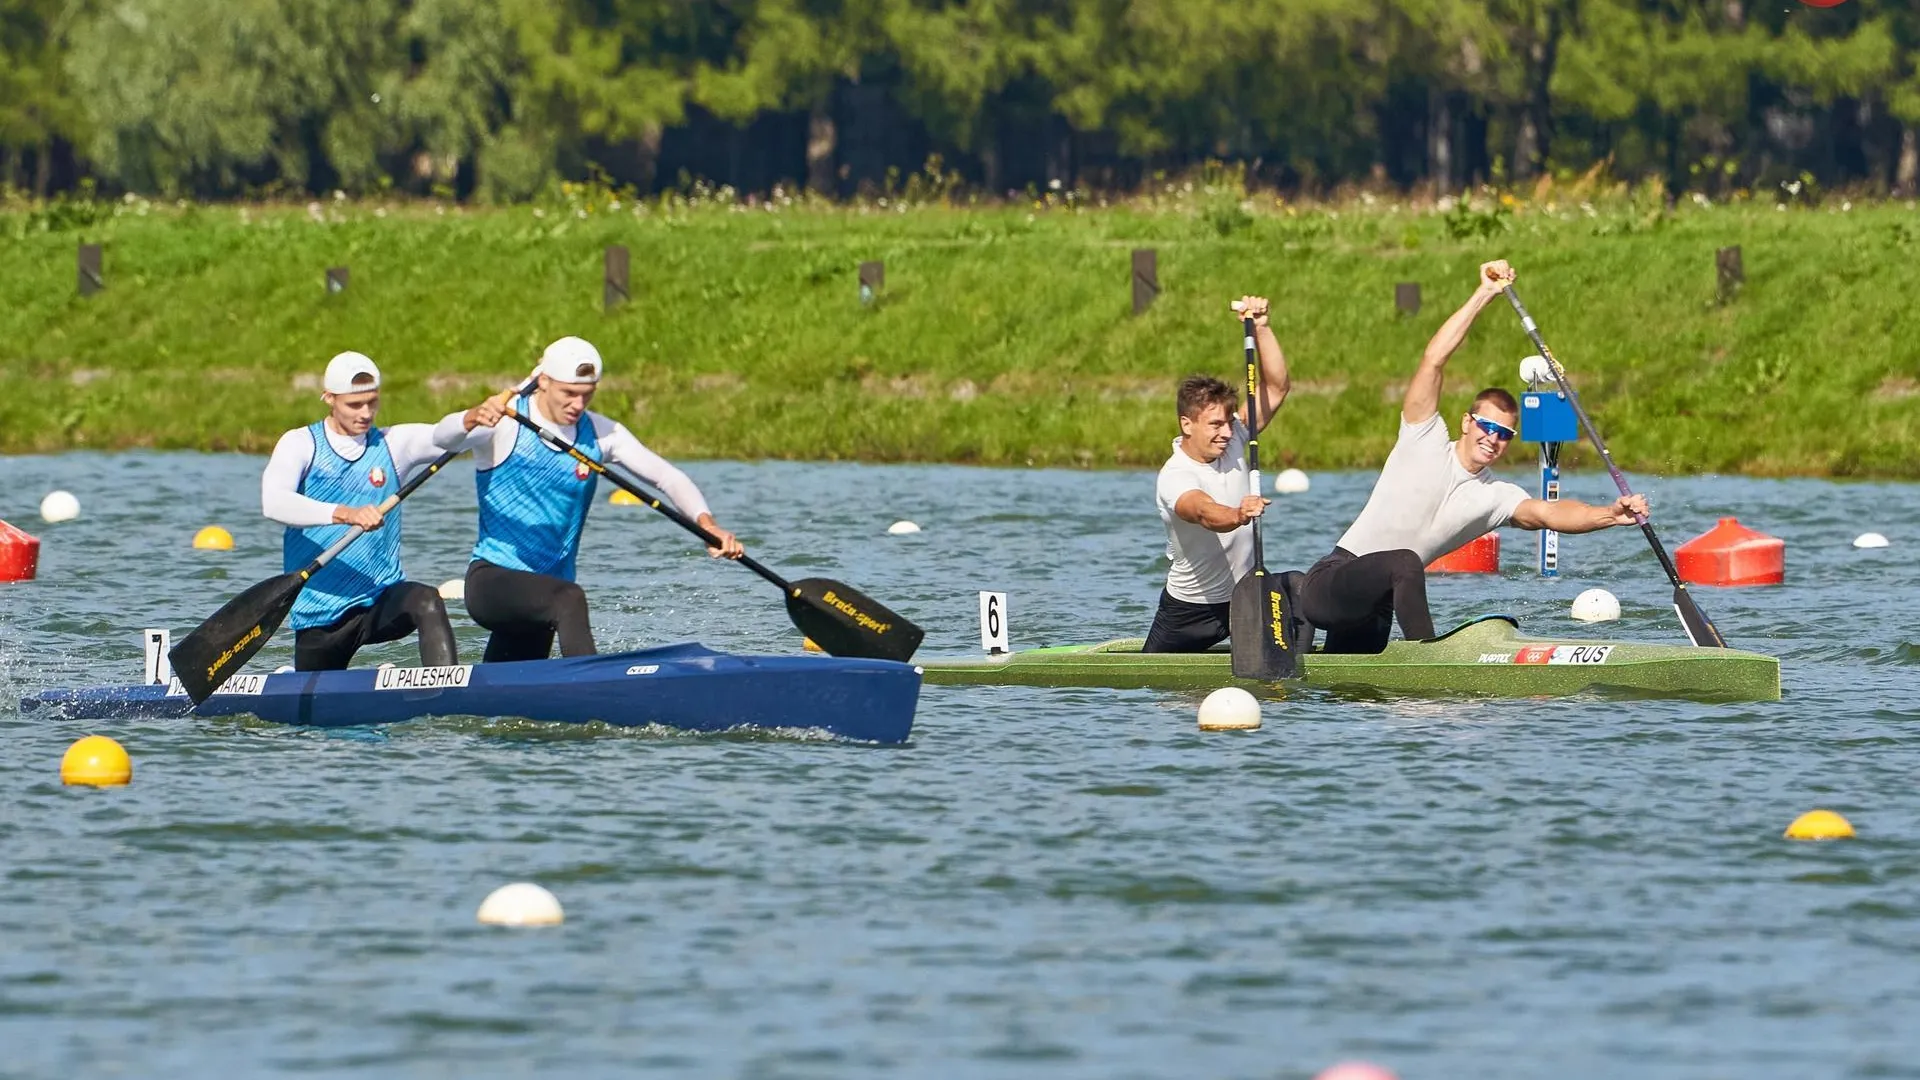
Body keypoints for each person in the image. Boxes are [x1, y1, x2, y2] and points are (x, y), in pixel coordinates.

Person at [1296, 260, 1650, 653]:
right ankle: (1425, 656)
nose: (1493, 438)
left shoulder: (1496, 496)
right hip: (1332, 582)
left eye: (1504, 434)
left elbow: (1551, 514)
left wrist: (1610, 515)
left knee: (1353, 691)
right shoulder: (1423, 438)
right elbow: (1433, 359)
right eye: (1487, 426)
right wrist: (1484, 293)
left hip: (1378, 607)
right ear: (1466, 421)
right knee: (1406, 562)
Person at [432, 336, 745, 663]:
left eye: (587, 395)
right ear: (543, 382)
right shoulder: (504, 425)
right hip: (493, 583)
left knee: (516, 689)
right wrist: (471, 417)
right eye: (569, 393)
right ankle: (596, 686)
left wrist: (708, 525)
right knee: (570, 599)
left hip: (545, 594)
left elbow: (668, 477)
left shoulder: (600, 434)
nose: (578, 405)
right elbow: (441, 437)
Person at [261, 351, 459, 671]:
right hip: (321, 616)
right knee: (321, 718)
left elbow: (446, 435)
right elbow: (274, 502)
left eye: (373, 402)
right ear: (328, 398)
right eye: (354, 404)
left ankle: (448, 690)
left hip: (380, 601)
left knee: (426, 600)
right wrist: (345, 513)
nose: (366, 413)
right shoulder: (300, 444)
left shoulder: (393, 443)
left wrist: (477, 415)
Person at [1144, 294, 1292, 653]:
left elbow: (1276, 388)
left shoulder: (1236, 436)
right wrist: (1240, 514)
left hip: (1246, 598)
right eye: (1214, 424)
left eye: (1228, 422)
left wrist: (1262, 328)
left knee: (1298, 589)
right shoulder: (1175, 476)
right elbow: (1206, 514)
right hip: (1190, 610)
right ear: (1187, 424)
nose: (1226, 432)